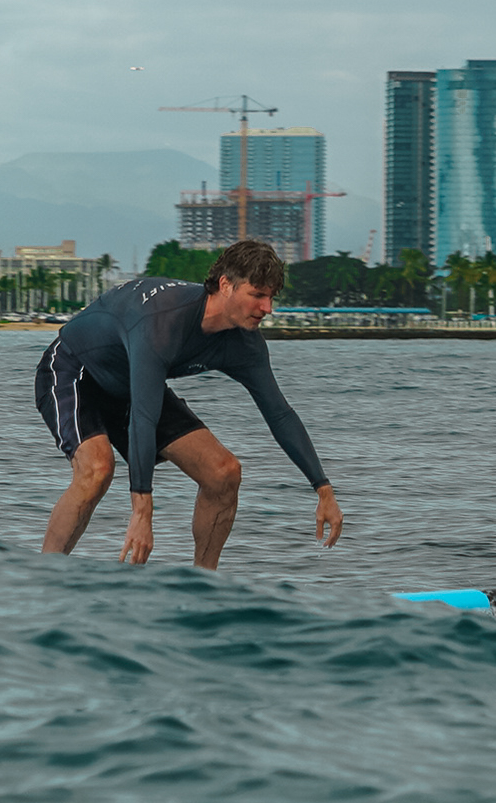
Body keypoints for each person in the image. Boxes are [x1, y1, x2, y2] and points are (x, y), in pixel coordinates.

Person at [35, 237, 343, 567]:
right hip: (74, 370)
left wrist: (323, 489)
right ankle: (46, 576)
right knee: (97, 470)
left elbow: (280, 414)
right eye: (257, 294)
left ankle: (203, 587)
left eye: (271, 297)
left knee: (224, 473)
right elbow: (143, 416)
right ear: (226, 285)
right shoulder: (164, 320)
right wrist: (142, 512)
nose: (268, 308)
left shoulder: (244, 346)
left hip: (132, 385)